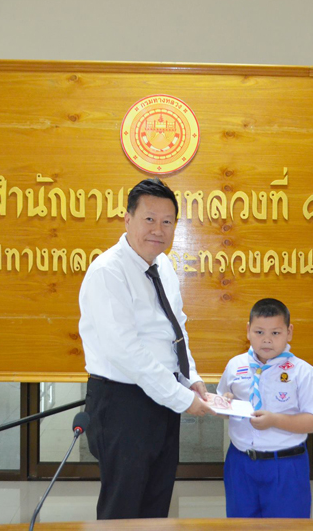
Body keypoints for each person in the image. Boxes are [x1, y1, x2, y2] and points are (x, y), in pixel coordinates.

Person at [79, 178, 214, 519]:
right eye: (149, 219)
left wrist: (190, 379)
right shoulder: (108, 272)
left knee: (156, 503)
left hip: (162, 396)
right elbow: (126, 352)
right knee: (123, 509)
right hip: (123, 403)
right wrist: (182, 398)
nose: (158, 229)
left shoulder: (163, 265)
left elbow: (176, 328)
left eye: (167, 221)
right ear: (128, 219)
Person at [217, 298, 313, 518]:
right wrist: (225, 405)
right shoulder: (235, 365)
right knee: (240, 525)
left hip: (286, 465)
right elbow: (222, 407)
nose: (267, 340)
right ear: (248, 331)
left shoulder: (303, 371)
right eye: (259, 332)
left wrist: (275, 420)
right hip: (240, 462)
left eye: (275, 333)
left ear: (289, 332)